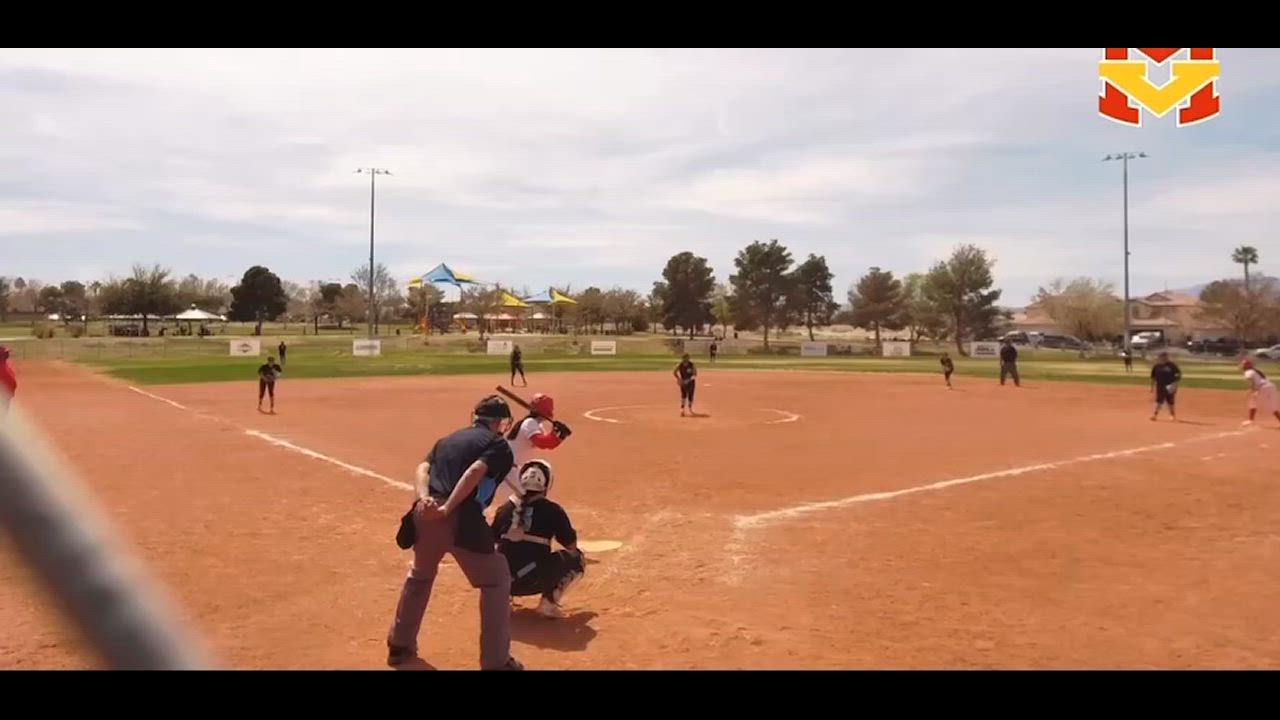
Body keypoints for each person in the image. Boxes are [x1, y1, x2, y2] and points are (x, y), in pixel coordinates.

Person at [386, 395, 523, 670]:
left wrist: (423, 499)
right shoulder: (497, 444)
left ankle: (400, 646)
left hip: (424, 516)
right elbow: (475, 470)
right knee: (496, 579)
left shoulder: (446, 440)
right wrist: (448, 507)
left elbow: (423, 468)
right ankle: (496, 662)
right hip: (460, 519)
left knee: (420, 575)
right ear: (499, 422)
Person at [491, 460, 585, 620]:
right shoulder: (553, 510)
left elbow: (490, 540)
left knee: (499, 554)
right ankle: (549, 603)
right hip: (534, 581)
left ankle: (503, 600)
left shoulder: (505, 509)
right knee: (577, 559)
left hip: (503, 582)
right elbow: (571, 545)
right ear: (546, 484)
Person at [496, 393, 571, 506]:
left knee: (524, 500)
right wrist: (556, 434)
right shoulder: (530, 423)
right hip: (507, 468)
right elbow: (541, 442)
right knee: (523, 499)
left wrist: (559, 436)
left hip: (513, 468)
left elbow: (548, 444)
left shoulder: (535, 424)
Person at [1241, 358, 1280, 427]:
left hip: (1263, 388)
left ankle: (1250, 420)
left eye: (1244, 364)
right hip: (1271, 387)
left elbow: (1252, 381)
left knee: (1252, 401)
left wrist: (1252, 390)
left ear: (1248, 365)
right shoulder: (1257, 370)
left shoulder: (1248, 372)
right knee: (1272, 406)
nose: (1242, 365)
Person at [1149, 351, 1181, 422]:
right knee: (1159, 401)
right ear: (1160, 357)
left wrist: (1175, 384)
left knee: (1170, 401)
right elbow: (1153, 377)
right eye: (1163, 357)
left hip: (1170, 385)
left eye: (1166, 357)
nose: (1165, 358)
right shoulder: (1157, 366)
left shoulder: (1172, 365)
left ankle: (1172, 415)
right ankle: (1155, 415)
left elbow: (1178, 374)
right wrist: (1152, 387)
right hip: (1160, 386)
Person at [1, 346, 16, 414]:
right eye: (5, 353)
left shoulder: (5, 364)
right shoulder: (3, 369)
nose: (8, 354)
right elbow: (11, 383)